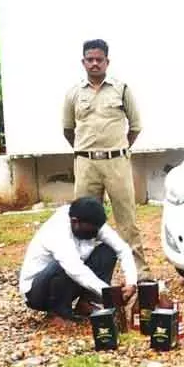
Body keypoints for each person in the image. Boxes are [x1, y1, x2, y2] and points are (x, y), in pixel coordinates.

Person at [63, 39, 151, 281]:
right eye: (89, 59)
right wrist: (87, 151)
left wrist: (118, 150)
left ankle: (141, 274)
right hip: (86, 164)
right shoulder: (74, 94)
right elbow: (68, 130)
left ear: (107, 62)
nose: (94, 64)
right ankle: (86, 275)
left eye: (98, 59)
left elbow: (135, 127)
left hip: (116, 163)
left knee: (127, 220)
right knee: (84, 222)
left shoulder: (121, 89)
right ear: (83, 62)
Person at [19, 196, 137, 324]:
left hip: (68, 281)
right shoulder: (57, 230)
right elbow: (75, 269)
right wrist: (109, 294)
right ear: (75, 222)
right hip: (38, 293)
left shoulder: (91, 222)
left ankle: (87, 303)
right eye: (91, 230)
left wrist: (131, 282)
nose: (95, 234)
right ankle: (58, 312)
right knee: (61, 266)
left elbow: (122, 249)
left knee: (107, 250)